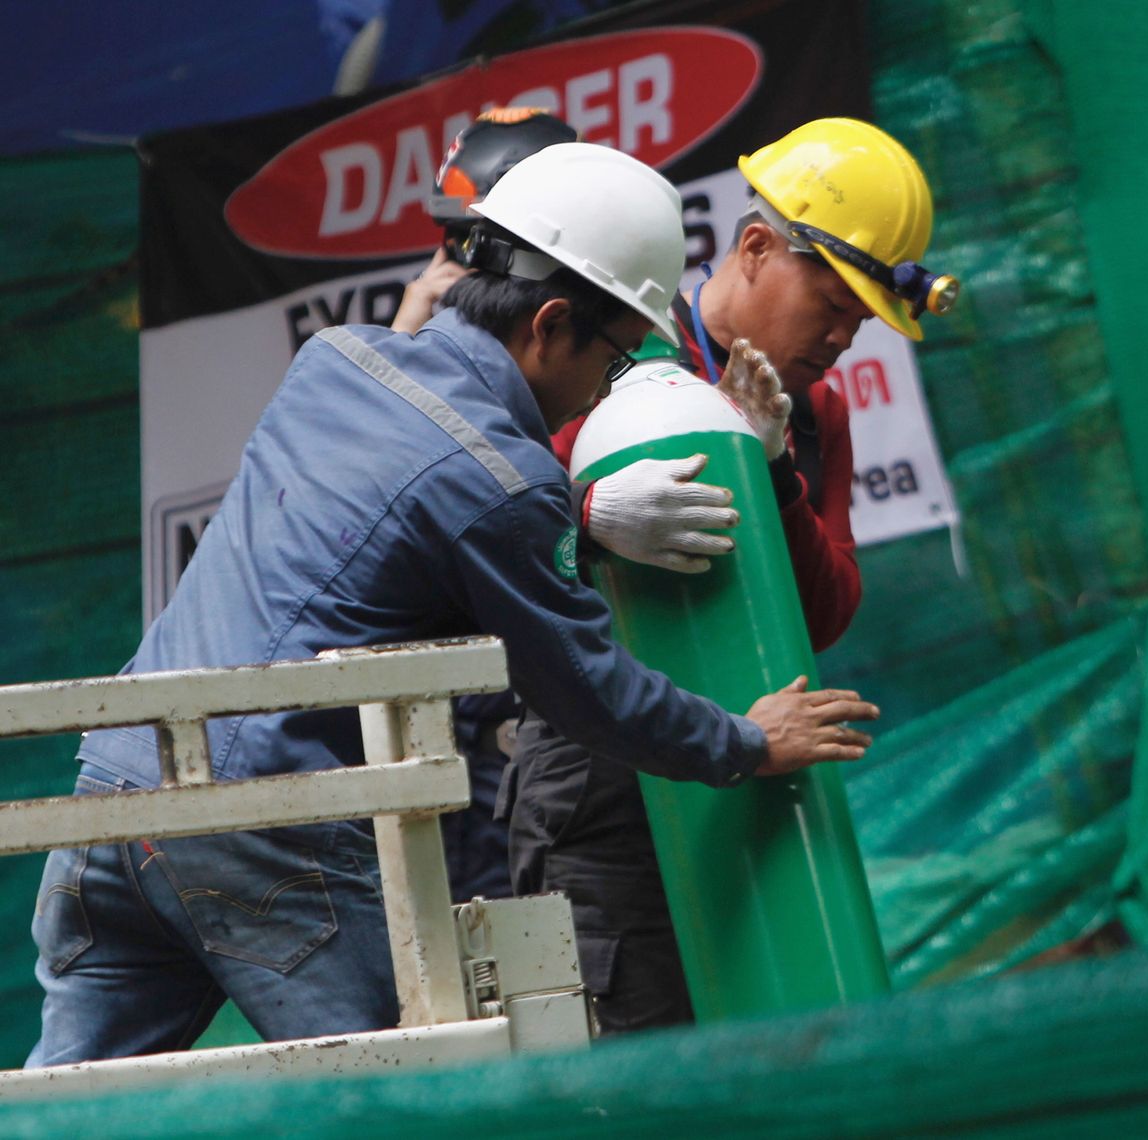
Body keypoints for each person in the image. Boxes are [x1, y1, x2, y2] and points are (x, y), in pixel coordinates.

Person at [27, 141, 878, 1067]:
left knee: (69, 1109)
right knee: (420, 1094)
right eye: (617, 354)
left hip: (113, 790)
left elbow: (377, 538)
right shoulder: (504, 481)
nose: (609, 385)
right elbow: (587, 689)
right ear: (550, 325)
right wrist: (750, 741)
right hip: (266, 828)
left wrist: (577, 528)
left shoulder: (335, 360)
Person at [500, 117, 956, 1034]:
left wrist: (775, 465)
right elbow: (481, 519)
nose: (841, 339)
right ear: (755, 248)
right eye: (830, 307)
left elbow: (827, 612)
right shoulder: (604, 342)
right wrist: (588, 516)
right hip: (602, 766)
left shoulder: (812, 409)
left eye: (860, 322)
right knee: (635, 1060)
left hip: (759, 751)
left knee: (789, 1035)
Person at [391, 106, 580, 903]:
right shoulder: (419, 334)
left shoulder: (576, 336)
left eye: (476, 242)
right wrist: (407, 331)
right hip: (437, 702)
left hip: (534, 693)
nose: (460, 264)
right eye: (452, 241)